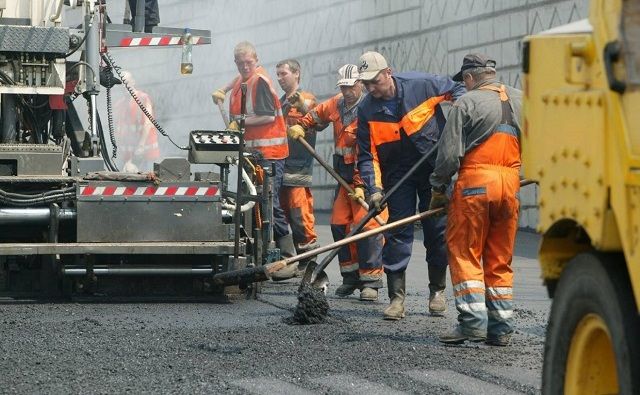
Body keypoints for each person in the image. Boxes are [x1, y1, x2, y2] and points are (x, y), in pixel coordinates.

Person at [356, 51, 466, 320]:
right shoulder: (367, 108)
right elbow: (367, 155)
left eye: (375, 81)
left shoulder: (422, 85)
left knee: (437, 232)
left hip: (432, 170)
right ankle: (397, 299)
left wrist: (458, 118)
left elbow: (459, 90)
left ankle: (437, 292)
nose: (371, 88)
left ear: (388, 72)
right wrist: (375, 190)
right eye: (366, 84)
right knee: (397, 232)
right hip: (397, 174)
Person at [429, 54, 522, 346]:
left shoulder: (466, 103)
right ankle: (500, 327)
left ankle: (472, 323)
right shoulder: (521, 99)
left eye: (464, 81)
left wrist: (438, 189)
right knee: (499, 257)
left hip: (475, 185)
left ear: (470, 78)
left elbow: (448, 155)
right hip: (510, 185)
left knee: (465, 251)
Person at [288, 64, 388, 301]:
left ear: (360, 85)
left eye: (351, 87)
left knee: (367, 227)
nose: (347, 92)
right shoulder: (336, 104)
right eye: (343, 87)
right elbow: (315, 116)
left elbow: (368, 152)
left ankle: (370, 281)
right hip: (342, 175)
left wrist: (363, 184)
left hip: (365, 175)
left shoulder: (369, 109)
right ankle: (350, 278)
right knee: (339, 225)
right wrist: (300, 126)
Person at [211, 41, 297, 280]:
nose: (245, 67)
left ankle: (289, 257)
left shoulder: (259, 81)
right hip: (253, 155)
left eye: (249, 62)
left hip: (270, 154)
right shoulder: (243, 78)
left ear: (256, 60)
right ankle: (259, 255)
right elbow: (235, 81)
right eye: (241, 64)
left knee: (270, 205)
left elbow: (267, 116)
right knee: (253, 202)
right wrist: (223, 89)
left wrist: (239, 122)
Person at [275, 59, 320, 261]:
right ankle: (288, 259)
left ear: (297, 74)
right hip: (280, 165)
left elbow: (317, 122)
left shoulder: (308, 99)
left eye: (283, 74)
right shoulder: (280, 102)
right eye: (278, 75)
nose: (279, 78)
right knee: (281, 213)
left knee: (299, 214)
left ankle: (308, 260)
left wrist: (300, 105)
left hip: (298, 169)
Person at [115, 70, 160, 172]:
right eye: (122, 82)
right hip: (128, 156)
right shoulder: (119, 104)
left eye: (127, 81)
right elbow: (119, 130)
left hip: (145, 154)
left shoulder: (143, 99)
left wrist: (141, 145)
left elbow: (148, 123)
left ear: (133, 82)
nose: (124, 85)